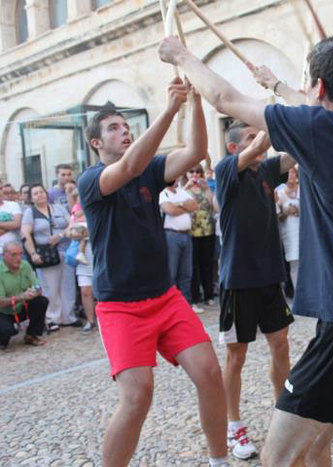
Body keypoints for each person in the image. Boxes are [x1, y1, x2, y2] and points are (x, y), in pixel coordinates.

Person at [159, 36, 333, 465]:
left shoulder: (318, 129)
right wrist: (278, 86)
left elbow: (225, 97)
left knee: (278, 458)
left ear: (318, 88)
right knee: (314, 449)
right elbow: (312, 108)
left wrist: (181, 55)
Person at [78, 83, 228, 466]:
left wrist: (193, 101)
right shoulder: (91, 180)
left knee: (210, 373)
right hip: (120, 307)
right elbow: (127, 167)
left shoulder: (151, 170)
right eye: (113, 128)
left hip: (164, 297)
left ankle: (219, 460)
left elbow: (195, 152)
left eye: (125, 125)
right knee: (137, 396)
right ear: (96, 143)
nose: (123, 131)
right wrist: (169, 107)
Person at [212, 120, 294, 460]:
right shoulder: (226, 170)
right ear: (235, 148)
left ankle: (283, 414)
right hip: (238, 280)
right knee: (236, 355)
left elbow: (294, 154)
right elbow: (263, 142)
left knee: (281, 344)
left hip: (269, 277)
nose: (258, 143)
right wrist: (267, 118)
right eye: (248, 138)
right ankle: (234, 426)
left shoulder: (266, 171)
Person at [21, 183, 78, 332]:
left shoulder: (58, 208)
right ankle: (52, 318)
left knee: (68, 285)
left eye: (41, 192)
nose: (39, 195)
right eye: (35, 193)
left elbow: (71, 223)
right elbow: (25, 233)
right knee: (49, 287)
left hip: (64, 250)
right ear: (31, 198)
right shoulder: (30, 212)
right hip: (45, 254)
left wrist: (60, 235)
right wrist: (33, 253)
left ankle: (68, 317)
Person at [0, 241, 48, 349]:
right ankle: (0, 336)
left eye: (20, 254)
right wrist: (22, 296)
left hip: (18, 308)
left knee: (41, 301)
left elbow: (37, 286)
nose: (18, 258)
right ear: (3, 255)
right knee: (7, 332)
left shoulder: (25, 265)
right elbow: (0, 303)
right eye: (14, 255)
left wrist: (35, 291)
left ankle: (31, 335)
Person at [159, 179, 198, 303]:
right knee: (172, 272)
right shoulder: (163, 193)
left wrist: (177, 204)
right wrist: (185, 206)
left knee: (186, 273)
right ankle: (172, 303)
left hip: (186, 235)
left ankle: (187, 302)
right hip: (171, 235)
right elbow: (170, 210)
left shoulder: (181, 192)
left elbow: (195, 205)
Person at [184, 165, 217, 307]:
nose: (195, 174)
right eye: (191, 171)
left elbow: (214, 206)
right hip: (191, 232)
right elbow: (178, 200)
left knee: (207, 264)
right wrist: (186, 186)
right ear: (186, 174)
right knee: (193, 266)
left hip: (207, 231)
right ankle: (195, 297)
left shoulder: (206, 189)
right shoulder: (182, 189)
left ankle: (209, 295)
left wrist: (207, 189)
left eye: (198, 171)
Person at [66, 188, 95, 332]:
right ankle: (90, 320)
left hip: (96, 254)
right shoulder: (75, 215)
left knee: (100, 290)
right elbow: (70, 232)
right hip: (82, 256)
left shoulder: (96, 210)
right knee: (85, 290)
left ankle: (103, 317)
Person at [276, 166, 300, 287]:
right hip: (290, 234)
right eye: (288, 173)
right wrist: (286, 212)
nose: (291, 175)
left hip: (305, 232)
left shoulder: (303, 190)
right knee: (294, 265)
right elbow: (278, 216)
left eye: (292, 172)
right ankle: (297, 293)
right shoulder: (280, 193)